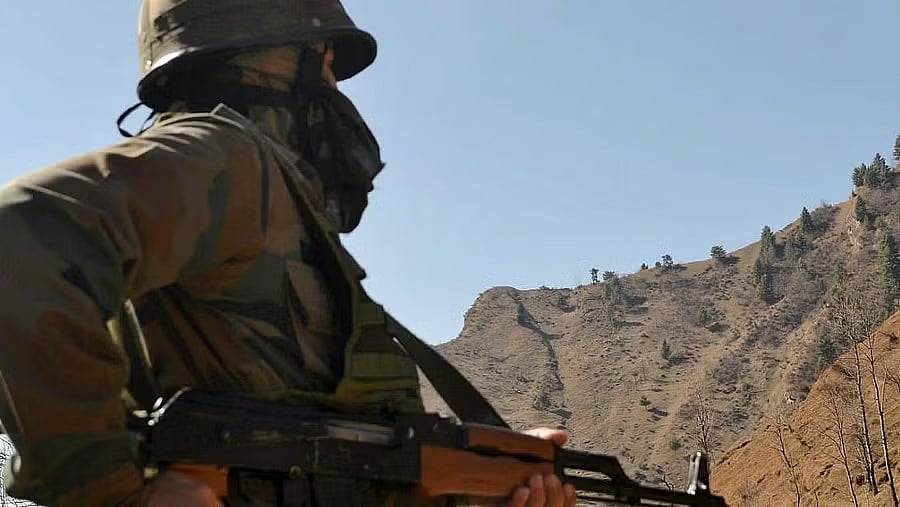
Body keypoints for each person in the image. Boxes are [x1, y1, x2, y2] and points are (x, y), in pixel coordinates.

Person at [0, 1, 578, 505]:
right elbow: (18, 234)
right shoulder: (228, 156)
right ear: (275, 58)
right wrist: (115, 492)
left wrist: (483, 485)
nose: (335, 87)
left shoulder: (268, 191)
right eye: (325, 60)